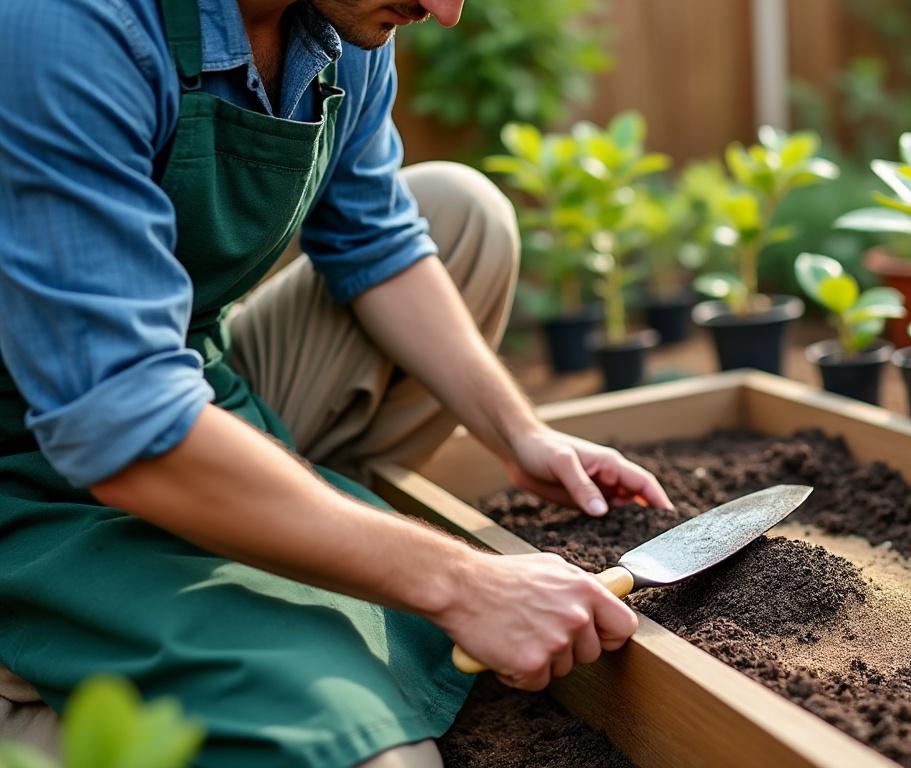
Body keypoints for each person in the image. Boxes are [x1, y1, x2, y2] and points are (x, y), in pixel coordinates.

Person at [0, 0, 672, 765]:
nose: (445, 12)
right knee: (366, 749)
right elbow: (121, 416)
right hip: (34, 450)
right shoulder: (66, 28)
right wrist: (463, 583)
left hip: (181, 379)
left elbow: (374, 235)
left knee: (463, 216)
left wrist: (521, 434)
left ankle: (286, 528)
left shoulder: (335, 23)